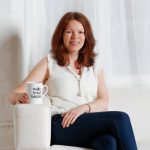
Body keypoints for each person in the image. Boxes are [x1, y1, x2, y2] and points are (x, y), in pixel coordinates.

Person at [10, 12, 138, 150]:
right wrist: (20, 97)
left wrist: (82, 109)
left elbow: (104, 101)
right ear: (61, 35)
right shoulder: (50, 62)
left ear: (86, 36)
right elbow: (14, 94)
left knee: (108, 143)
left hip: (89, 124)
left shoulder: (95, 64)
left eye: (80, 32)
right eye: (69, 32)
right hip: (62, 124)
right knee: (120, 118)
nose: (75, 37)